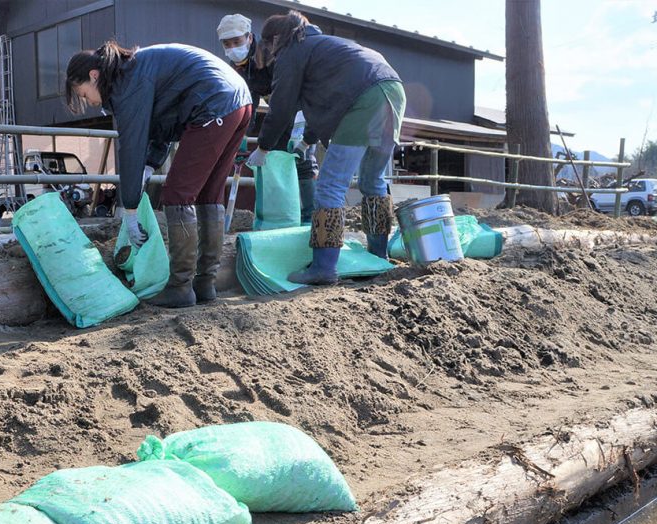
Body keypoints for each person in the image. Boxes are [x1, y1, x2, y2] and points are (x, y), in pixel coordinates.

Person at [65, 41, 251, 307]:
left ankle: (180, 287)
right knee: (209, 194)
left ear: (94, 76)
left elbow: (131, 143)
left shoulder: (125, 82)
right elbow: (163, 123)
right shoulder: (136, 70)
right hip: (238, 99)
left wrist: (129, 209)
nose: (90, 102)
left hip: (214, 100)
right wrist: (150, 165)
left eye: (84, 94)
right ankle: (205, 283)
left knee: (177, 194)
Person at [246, 11, 406, 285]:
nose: (269, 52)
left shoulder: (291, 50)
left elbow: (282, 105)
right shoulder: (323, 45)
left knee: (329, 187)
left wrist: (263, 146)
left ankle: (323, 267)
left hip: (364, 98)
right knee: (372, 180)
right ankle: (379, 255)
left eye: (267, 46)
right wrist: (308, 140)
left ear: (274, 39)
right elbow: (327, 98)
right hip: (392, 91)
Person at [216, 13, 317, 225]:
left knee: (302, 160)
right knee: (275, 160)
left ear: (249, 37)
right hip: (278, 110)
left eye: (237, 41)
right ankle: (281, 219)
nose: (232, 47)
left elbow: (286, 93)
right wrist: (239, 138)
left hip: (298, 106)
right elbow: (245, 106)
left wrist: (267, 141)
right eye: (227, 44)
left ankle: (311, 219)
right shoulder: (238, 69)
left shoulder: (269, 53)